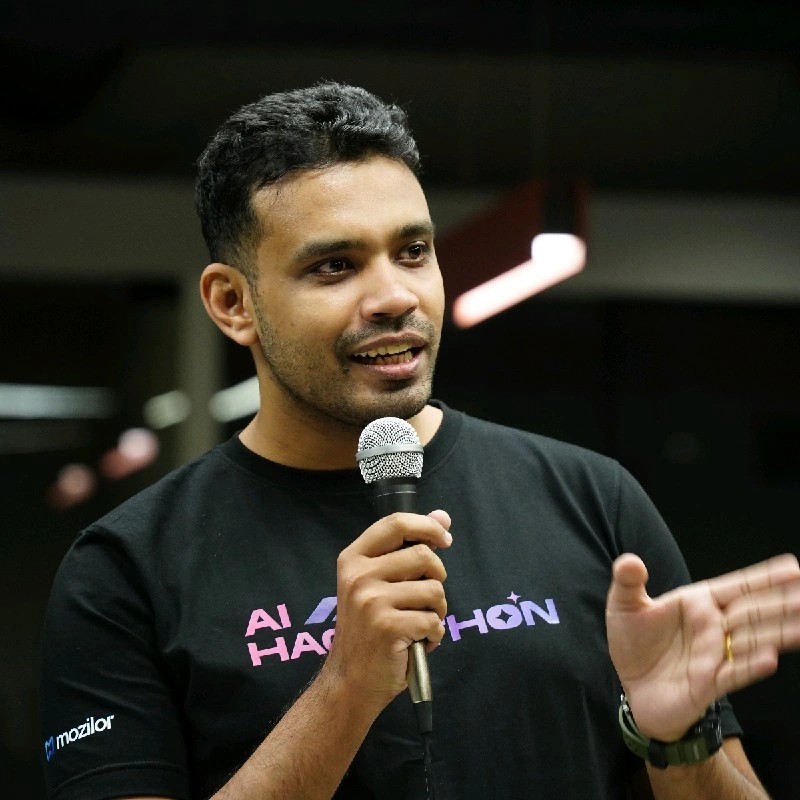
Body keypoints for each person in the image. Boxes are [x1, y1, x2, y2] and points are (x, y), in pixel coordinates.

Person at [39, 81, 800, 800]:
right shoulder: (127, 570)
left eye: (412, 251)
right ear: (233, 303)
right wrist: (345, 688)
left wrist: (678, 737)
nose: (395, 296)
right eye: (335, 266)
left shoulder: (593, 500)